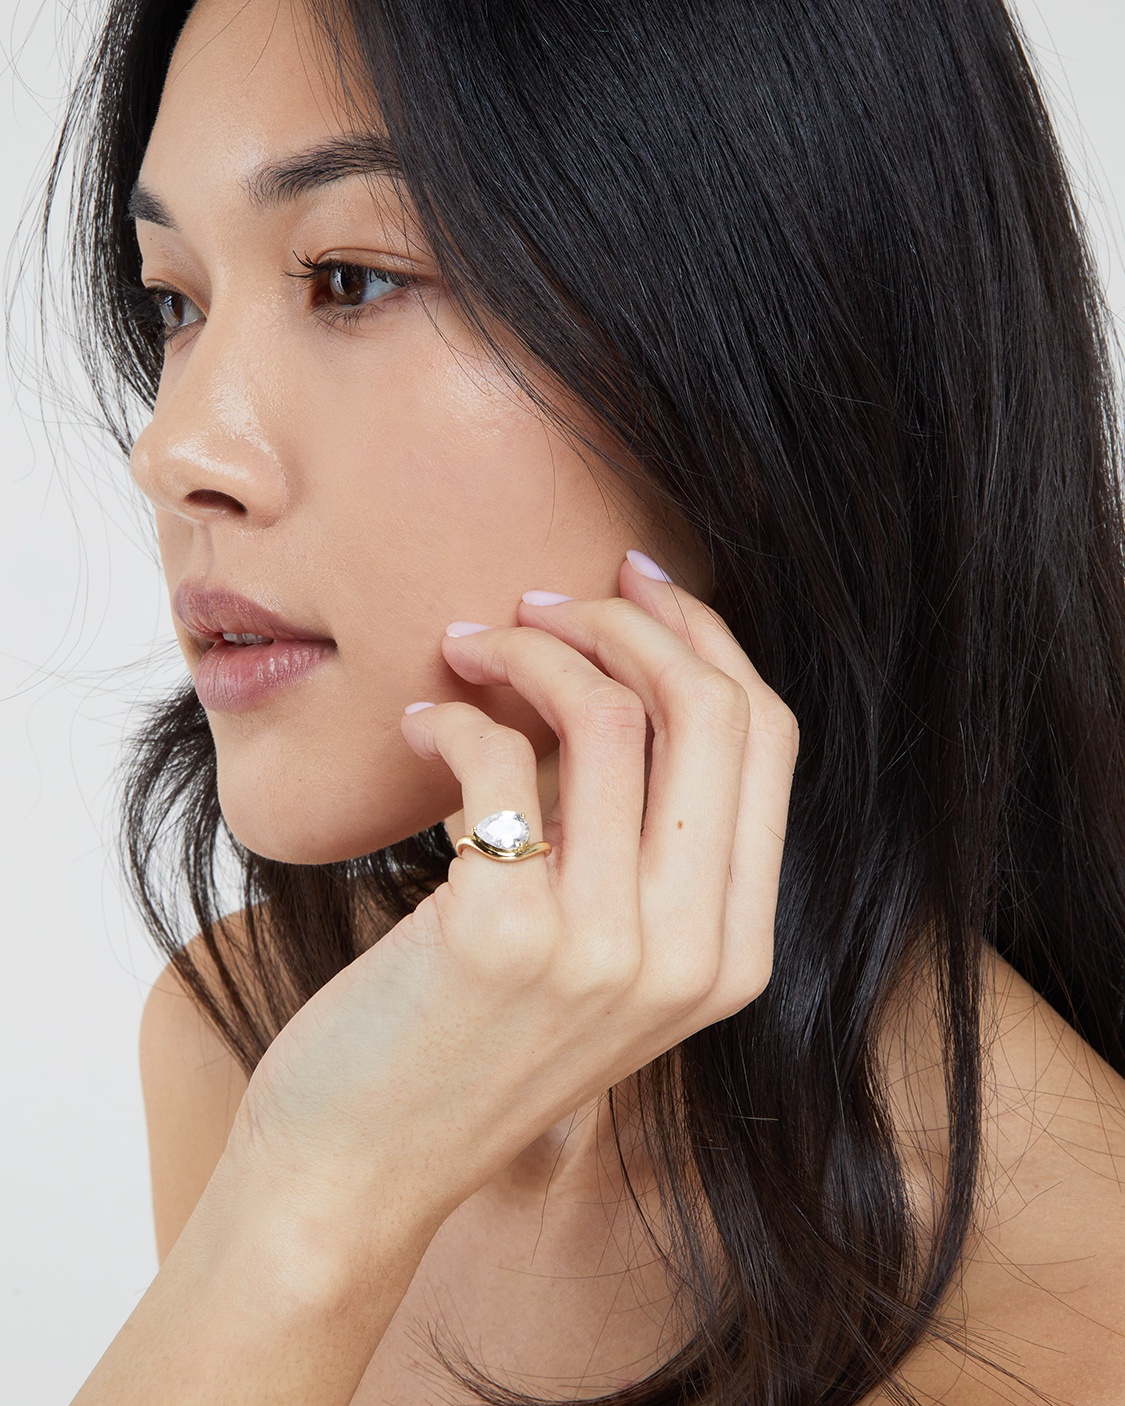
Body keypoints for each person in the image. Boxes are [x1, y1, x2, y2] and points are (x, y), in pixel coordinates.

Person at [54, 0, 1125, 1400]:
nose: (175, 446)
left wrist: (314, 1203)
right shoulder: (253, 1040)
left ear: (765, 349)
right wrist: (310, 1192)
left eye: (352, 278)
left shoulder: (1062, 1300)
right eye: (175, 299)